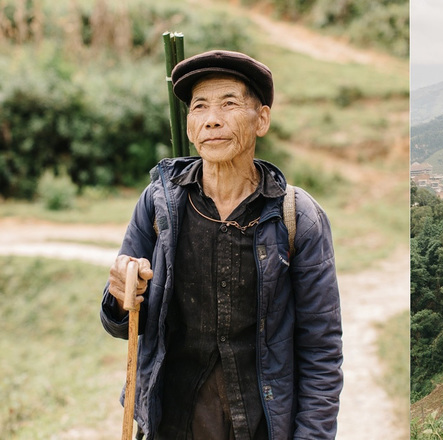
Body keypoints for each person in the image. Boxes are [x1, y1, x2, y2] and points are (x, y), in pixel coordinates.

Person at [100, 50, 343, 439]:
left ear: (261, 119)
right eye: (200, 107)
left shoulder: (297, 216)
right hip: (172, 423)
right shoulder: (159, 204)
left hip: (259, 425)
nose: (212, 119)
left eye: (229, 104)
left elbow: (321, 349)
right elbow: (123, 322)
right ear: (190, 125)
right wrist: (121, 292)